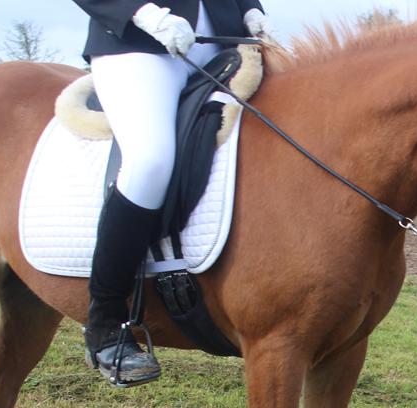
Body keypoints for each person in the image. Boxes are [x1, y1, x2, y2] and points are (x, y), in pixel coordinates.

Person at [72, 1, 272, 386]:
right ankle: (105, 323)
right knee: (150, 162)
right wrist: (143, 13)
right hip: (139, 44)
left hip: (226, 41)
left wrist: (250, 7)